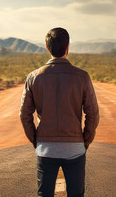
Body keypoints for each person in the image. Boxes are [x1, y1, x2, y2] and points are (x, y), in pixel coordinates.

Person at [20, 27, 100, 197]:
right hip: (75, 148)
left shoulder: (33, 77)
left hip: (45, 148)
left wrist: (36, 140)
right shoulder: (82, 77)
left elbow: (24, 114)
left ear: (47, 48)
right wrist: (84, 141)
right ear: (68, 47)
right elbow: (92, 113)